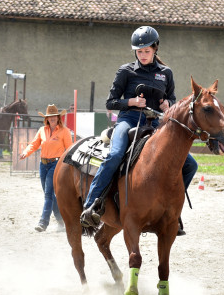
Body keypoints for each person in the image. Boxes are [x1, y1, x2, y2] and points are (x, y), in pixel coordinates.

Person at [79, 25, 198, 236]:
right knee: (115, 155)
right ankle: (91, 205)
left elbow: (171, 99)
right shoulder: (126, 71)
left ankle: (173, 210)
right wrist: (132, 101)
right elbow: (111, 102)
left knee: (190, 164)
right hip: (128, 120)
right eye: (139, 51)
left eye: (147, 51)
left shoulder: (166, 73)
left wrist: (167, 106)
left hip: (155, 125)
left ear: (155, 49)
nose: (143, 55)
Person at [20, 104, 72, 233]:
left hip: (56, 164)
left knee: (48, 193)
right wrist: (26, 152)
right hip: (43, 164)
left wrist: (69, 166)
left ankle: (43, 223)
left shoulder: (64, 131)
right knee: (49, 194)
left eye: (54, 116)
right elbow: (34, 144)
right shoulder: (42, 130)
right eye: (50, 116)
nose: (52, 118)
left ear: (58, 117)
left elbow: (70, 149)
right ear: (47, 119)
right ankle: (61, 221)